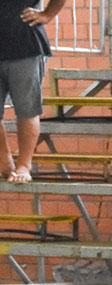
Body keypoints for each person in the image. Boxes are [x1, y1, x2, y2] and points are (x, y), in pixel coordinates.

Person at [1, 0, 66, 183]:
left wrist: (47, 14)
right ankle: (4, 161)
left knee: (27, 109)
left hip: (25, 47)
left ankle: (24, 164)